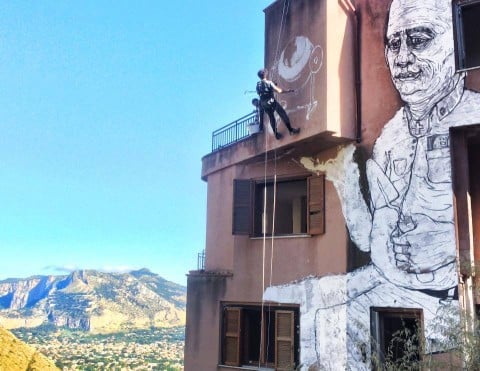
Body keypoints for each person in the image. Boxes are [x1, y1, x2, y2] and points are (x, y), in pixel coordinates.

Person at [264, 0, 480, 369]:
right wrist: (344, 177)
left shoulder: (472, 115)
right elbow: (369, 237)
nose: (403, 57)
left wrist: (443, 252)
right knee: (282, 296)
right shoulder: (391, 137)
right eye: (394, 43)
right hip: (387, 282)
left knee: (331, 326)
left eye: (419, 39)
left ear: (453, 42)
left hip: (446, 299)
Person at [256, 68, 300, 139]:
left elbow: (263, 92)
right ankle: (291, 130)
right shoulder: (269, 82)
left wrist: (272, 87)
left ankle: (276, 134)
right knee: (282, 113)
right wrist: (288, 91)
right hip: (271, 101)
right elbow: (279, 91)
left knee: (271, 117)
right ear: (265, 74)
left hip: (263, 103)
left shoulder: (258, 85)